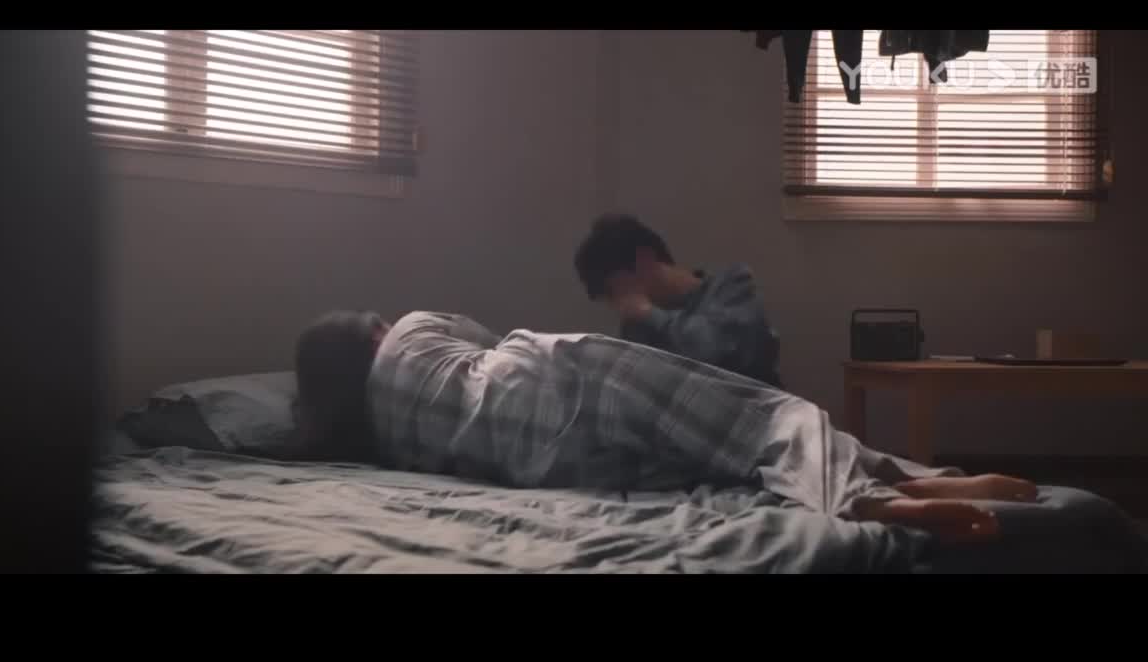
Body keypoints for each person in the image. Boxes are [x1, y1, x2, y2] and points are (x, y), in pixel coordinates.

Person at [295, 309, 1050, 546]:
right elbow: (481, 336)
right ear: (370, 334)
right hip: (558, 377)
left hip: (545, 469)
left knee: (722, 459)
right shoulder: (411, 331)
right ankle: (878, 494)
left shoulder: (383, 441)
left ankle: (901, 479)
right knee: (758, 416)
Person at [573, 213, 782, 388]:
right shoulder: (639, 326)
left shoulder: (733, 286)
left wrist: (648, 312)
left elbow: (719, 352)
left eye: (613, 291)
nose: (618, 305)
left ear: (644, 259)